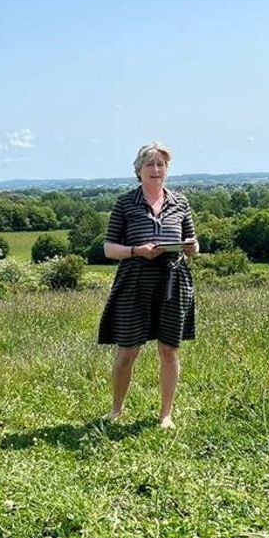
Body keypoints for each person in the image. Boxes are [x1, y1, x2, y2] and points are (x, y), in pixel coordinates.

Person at [98, 142, 199, 428]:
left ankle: (166, 415)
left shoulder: (181, 202)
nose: (156, 170)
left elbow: (194, 242)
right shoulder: (125, 203)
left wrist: (191, 247)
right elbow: (108, 249)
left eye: (161, 165)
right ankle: (116, 411)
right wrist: (136, 250)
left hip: (173, 280)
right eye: (150, 164)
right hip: (135, 282)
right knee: (128, 350)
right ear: (138, 170)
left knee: (169, 349)